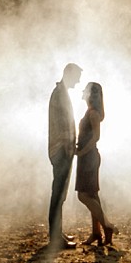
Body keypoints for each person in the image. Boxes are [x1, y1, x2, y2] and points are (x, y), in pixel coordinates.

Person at [75, 81, 116, 249]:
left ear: (90, 94)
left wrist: (81, 152)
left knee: (83, 195)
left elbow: (96, 137)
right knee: (92, 196)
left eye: (85, 89)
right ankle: (96, 232)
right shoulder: (90, 112)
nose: (82, 91)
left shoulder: (93, 114)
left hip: (89, 157)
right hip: (87, 157)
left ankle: (107, 226)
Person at [47, 62, 82, 248]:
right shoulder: (60, 94)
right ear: (68, 74)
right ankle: (55, 238)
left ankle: (57, 234)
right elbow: (64, 125)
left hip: (62, 149)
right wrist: (70, 149)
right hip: (61, 150)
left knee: (60, 195)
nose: (78, 82)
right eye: (77, 77)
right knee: (58, 194)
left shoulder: (61, 93)